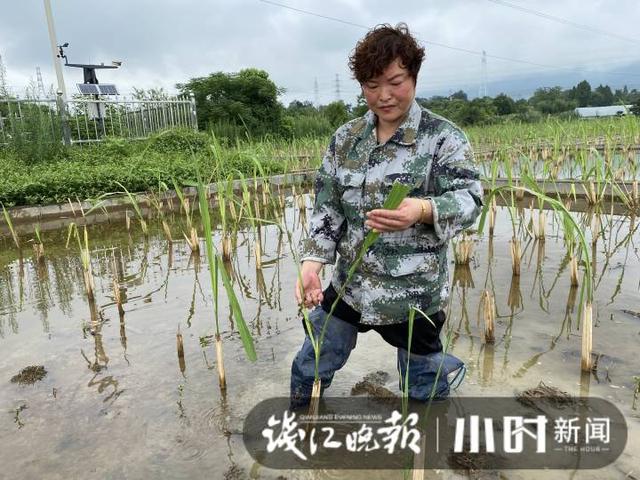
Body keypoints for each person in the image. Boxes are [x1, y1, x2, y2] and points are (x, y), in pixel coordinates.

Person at [290, 23, 483, 408]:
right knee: (310, 363)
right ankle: (301, 426)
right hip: (352, 284)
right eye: (372, 85)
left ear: (413, 75)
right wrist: (312, 263)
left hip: (413, 293)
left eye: (395, 82)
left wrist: (423, 210)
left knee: (424, 388)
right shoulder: (345, 140)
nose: (384, 96)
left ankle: (425, 449)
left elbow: (471, 199)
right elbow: (327, 208)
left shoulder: (442, 138)